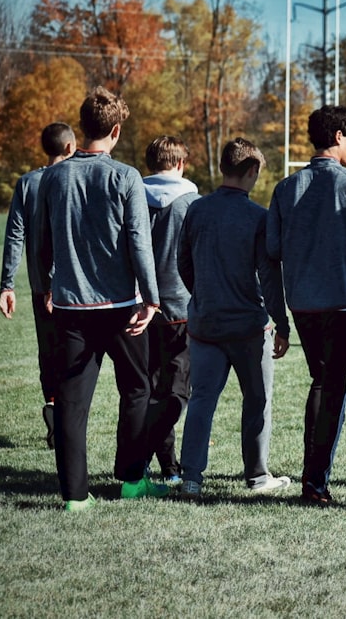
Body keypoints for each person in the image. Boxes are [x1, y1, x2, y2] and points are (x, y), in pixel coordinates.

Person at [34, 86, 168, 512]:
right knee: (136, 390)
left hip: (71, 309)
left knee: (71, 403)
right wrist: (151, 297)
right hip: (121, 308)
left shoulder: (52, 176)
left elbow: (41, 243)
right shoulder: (125, 176)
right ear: (115, 130)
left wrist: (45, 289)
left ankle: (75, 496)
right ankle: (131, 479)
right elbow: (138, 241)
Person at [266, 105, 346, 506]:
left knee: (320, 384)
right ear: (338, 136)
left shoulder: (285, 188)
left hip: (302, 302)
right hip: (343, 302)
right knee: (334, 390)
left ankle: (312, 477)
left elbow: (273, 249)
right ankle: (314, 482)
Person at [177, 137, 292, 498]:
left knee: (201, 399)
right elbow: (270, 278)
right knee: (257, 400)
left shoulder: (197, 209)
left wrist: (203, 294)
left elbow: (184, 263)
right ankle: (257, 476)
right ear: (253, 171)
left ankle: (192, 477)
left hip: (205, 322)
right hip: (247, 326)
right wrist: (282, 324)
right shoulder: (258, 217)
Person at [0, 122, 76, 449]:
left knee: (48, 352)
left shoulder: (27, 183)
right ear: (71, 148)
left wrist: (7, 284)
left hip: (37, 285)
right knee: (73, 353)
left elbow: (16, 234)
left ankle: (54, 405)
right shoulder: (73, 180)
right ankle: (67, 417)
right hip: (71, 287)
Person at [142, 136, 200, 485]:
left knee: (147, 390)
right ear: (181, 164)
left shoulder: (132, 197)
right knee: (176, 391)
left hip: (139, 308)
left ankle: (163, 464)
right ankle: (157, 460)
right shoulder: (192, 202)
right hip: (180, 306)